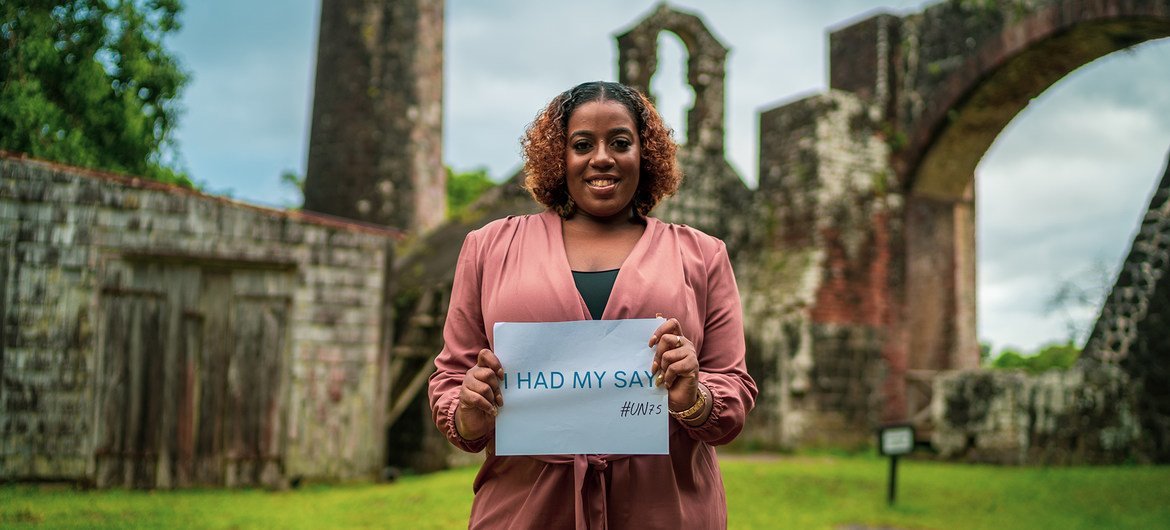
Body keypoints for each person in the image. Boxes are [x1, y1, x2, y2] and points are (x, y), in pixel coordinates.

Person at [428, 80, 757, 529]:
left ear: (646, 153)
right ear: (558, 157)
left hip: (666, 510)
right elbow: (450, 378)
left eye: (620, 142)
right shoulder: (489, 248)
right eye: (582, 144)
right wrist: (468, 412)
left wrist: (694, 399)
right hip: (526, 511)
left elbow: (733, 386)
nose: (602, 157)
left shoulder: (701, 255)